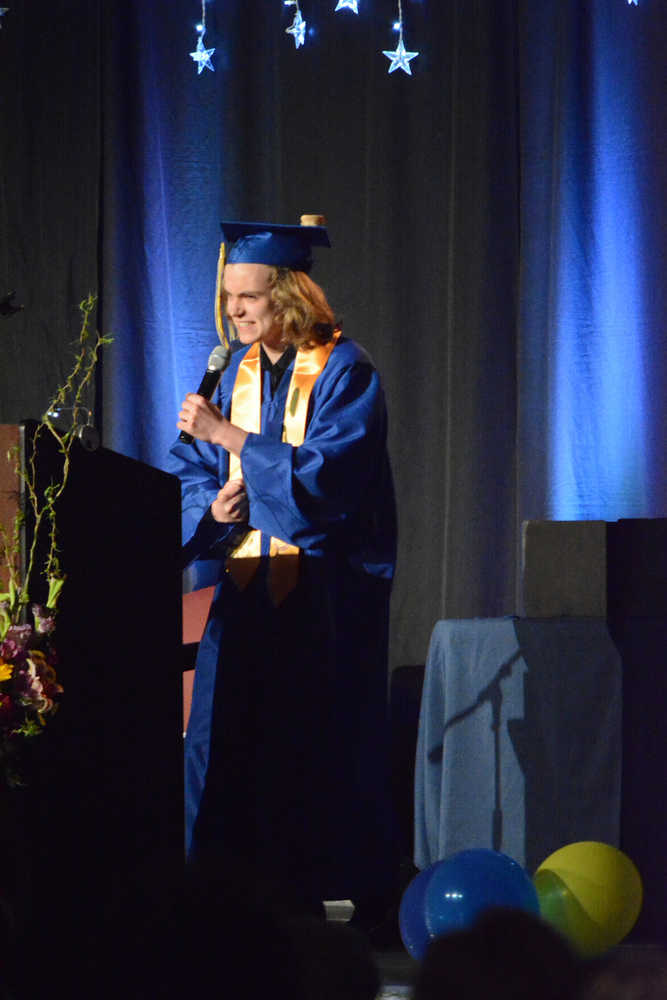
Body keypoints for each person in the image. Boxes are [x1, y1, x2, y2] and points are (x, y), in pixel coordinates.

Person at [168, 215, 398, 922]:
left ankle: (299, 921)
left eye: (249, 296)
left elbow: (327, 483)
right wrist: (219, 507)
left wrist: (228, 435)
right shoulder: (229, 371)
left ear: (289, 297)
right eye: (228, 296)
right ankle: (213, 908)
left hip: (319, 601)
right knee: (221, 743)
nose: (232, 310)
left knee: (301, 752)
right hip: (239, 596)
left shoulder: (344, 370)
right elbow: (189, 478)